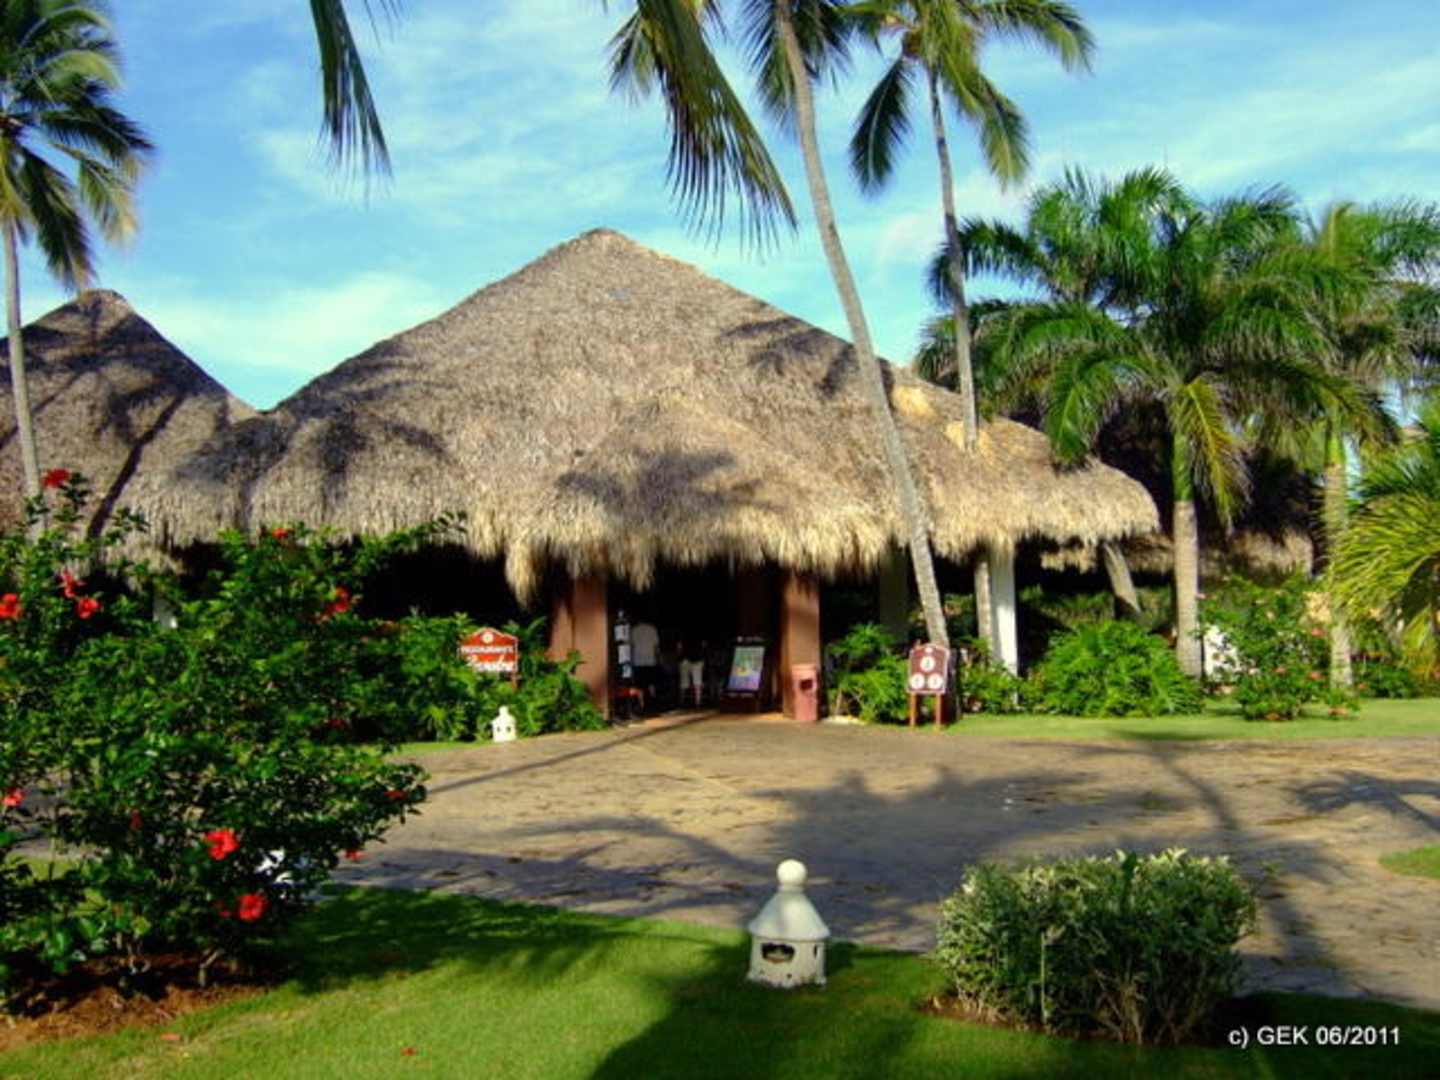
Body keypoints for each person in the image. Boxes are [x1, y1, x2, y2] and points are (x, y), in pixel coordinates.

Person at [679, 637, 706, 707]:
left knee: (685, 682)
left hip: (688, 658)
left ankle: (683, 701)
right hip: (694, 658)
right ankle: (697, 702)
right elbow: (704, 645)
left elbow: (679, 646)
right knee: (696, 682)